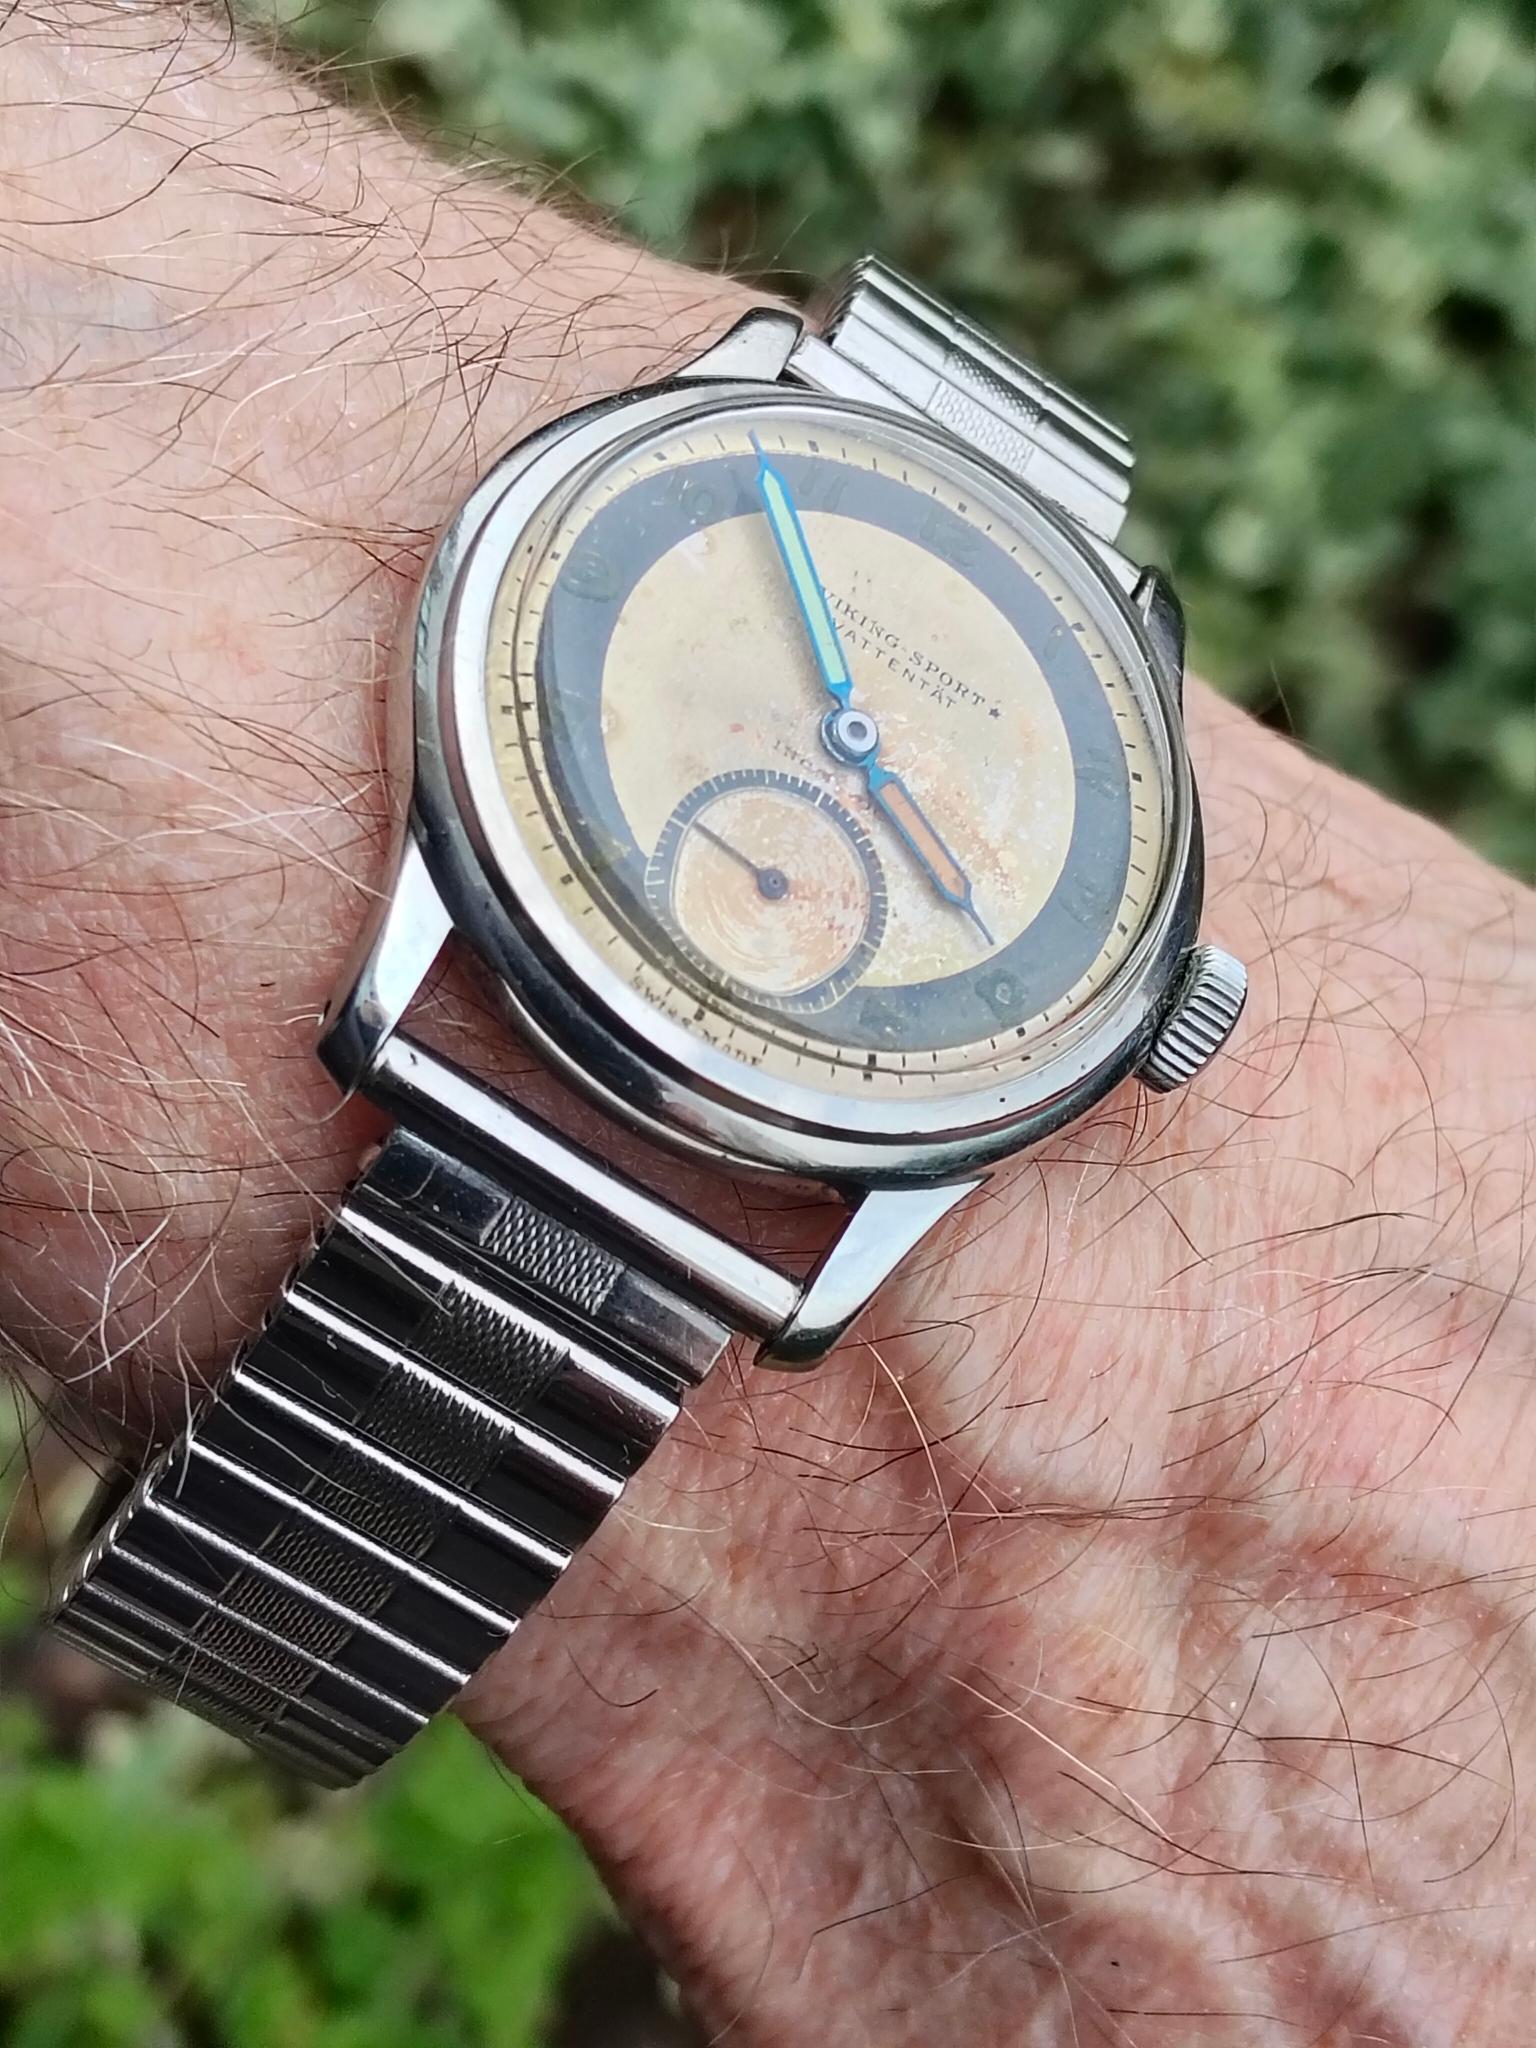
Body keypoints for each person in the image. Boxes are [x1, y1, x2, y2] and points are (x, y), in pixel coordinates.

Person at [1, 8, 1531, 2042]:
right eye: (853, 727)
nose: (859, 750)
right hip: (540, 993)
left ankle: (251, 1648)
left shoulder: (1069, 934)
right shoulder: (499, 794)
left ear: (1167, 1010)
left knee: (284, 1615)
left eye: (891, 754)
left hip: (733, 1114)